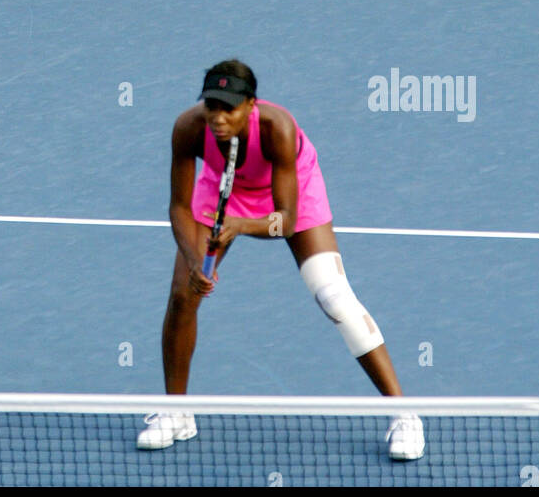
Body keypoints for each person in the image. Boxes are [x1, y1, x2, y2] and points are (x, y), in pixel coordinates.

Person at [138, 59, 425, 461]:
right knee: (182, 294)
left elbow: (287, 222)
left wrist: (237, 225)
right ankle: (175, 412)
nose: (218, 118)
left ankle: (404, 415)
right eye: (212, 107)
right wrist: (193, 259)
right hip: (222, 188)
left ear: (251, 105)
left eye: (229, 108)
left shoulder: (277, 129)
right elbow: (179, 208)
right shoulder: (189, 128)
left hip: (290, 193)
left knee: (333, 295)